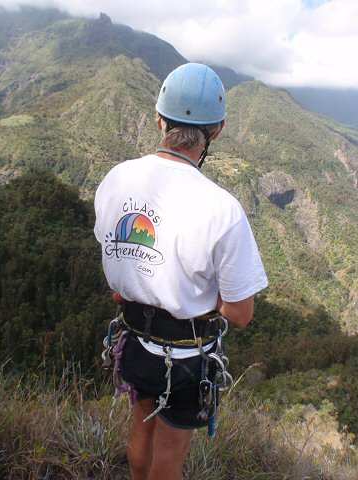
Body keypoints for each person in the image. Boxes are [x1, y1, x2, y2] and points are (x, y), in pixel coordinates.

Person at [94, 63, 268, 480]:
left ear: (159, 119)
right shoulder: (221, 208)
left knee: (140, 431)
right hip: (186, 358)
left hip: (134, 340)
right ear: (218, 130)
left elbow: (114, 250)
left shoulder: (116, 178)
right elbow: (241, 314)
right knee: (169, 458)